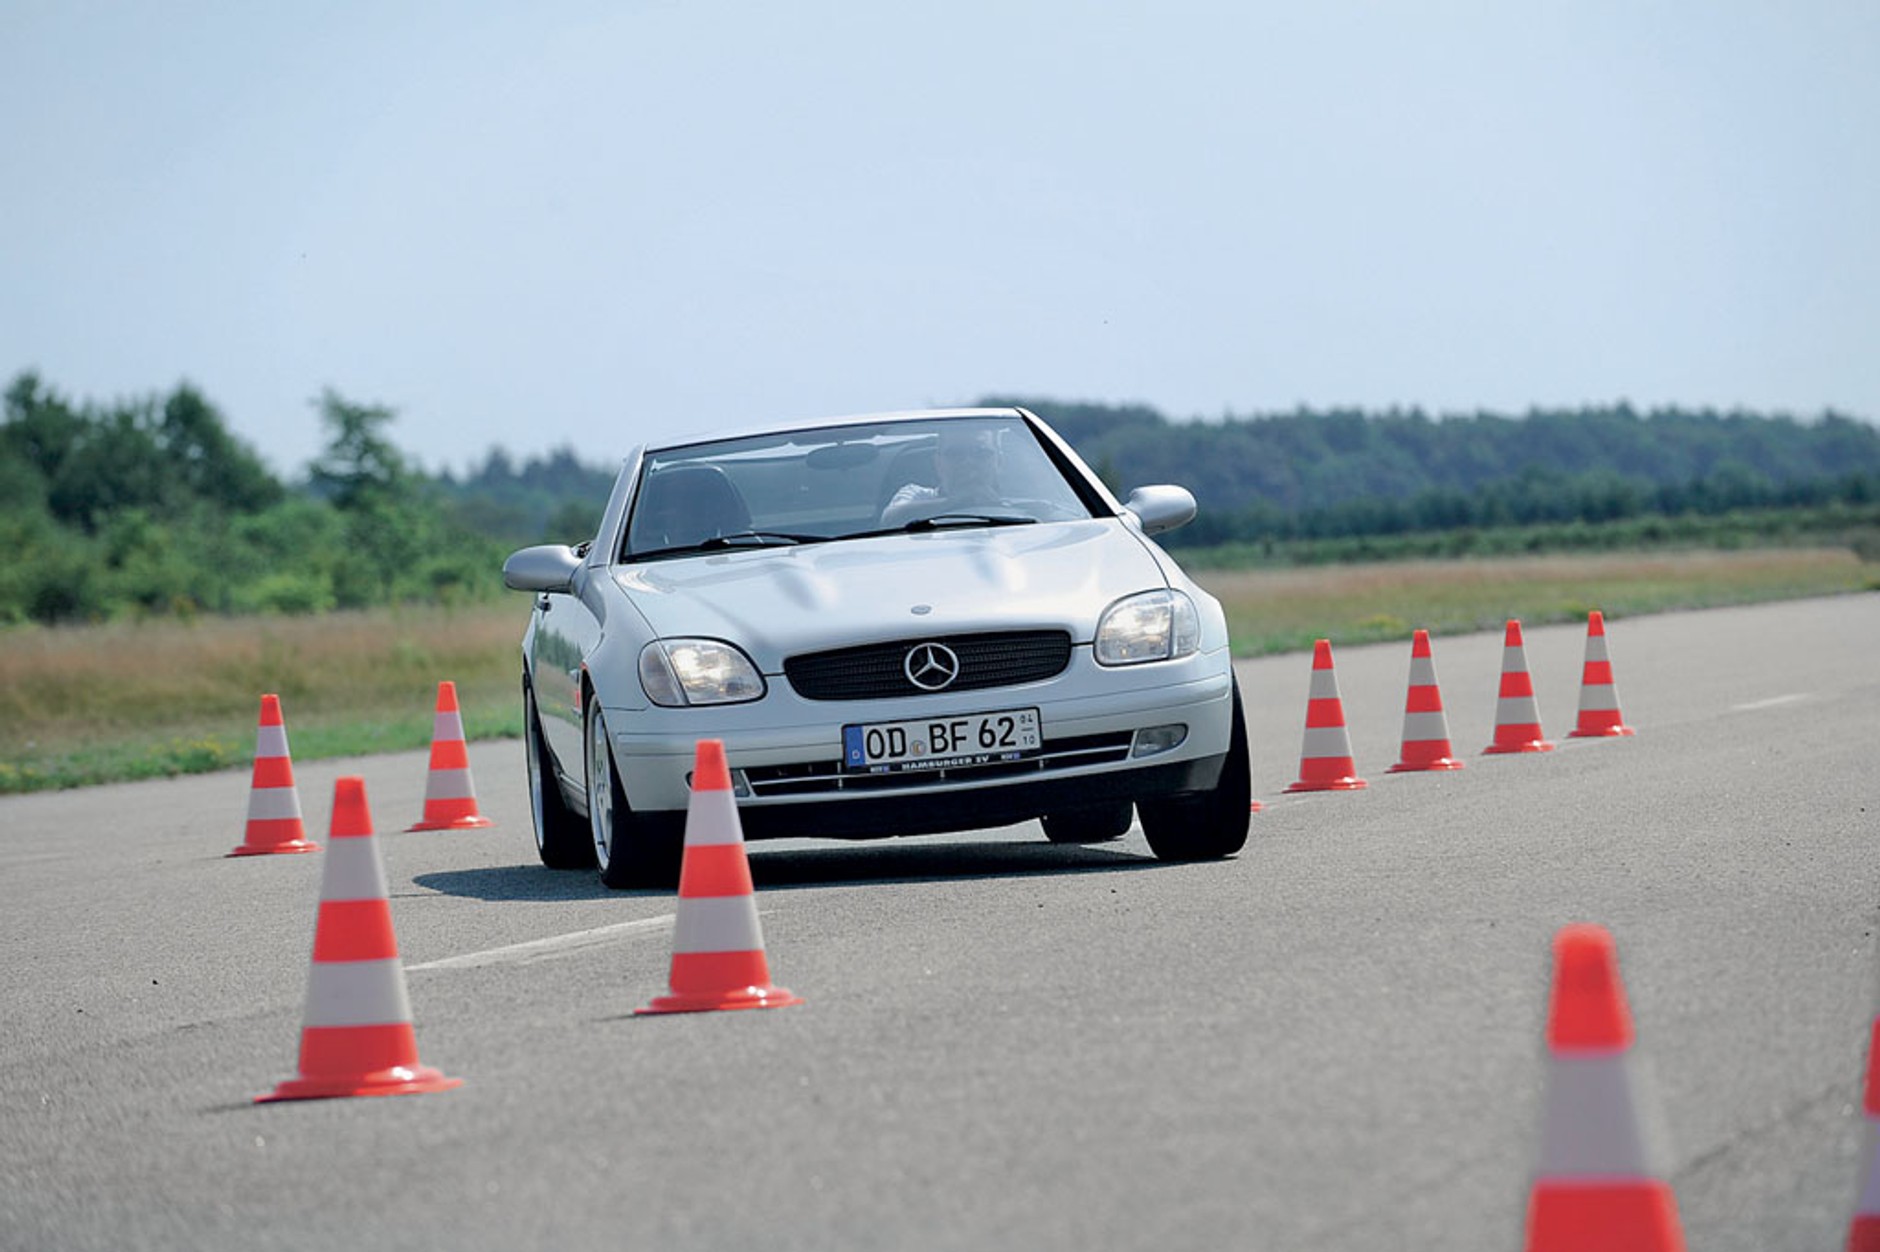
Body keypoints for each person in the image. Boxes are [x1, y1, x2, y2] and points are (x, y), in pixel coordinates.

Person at [879, 425, 1007, 527]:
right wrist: (956, 502)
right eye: (955, 454)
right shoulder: (917, 496)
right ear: (938, 463)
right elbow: (890, 518)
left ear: (999, 462)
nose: (968, 462)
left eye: (981, 453)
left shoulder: (1021, 505)